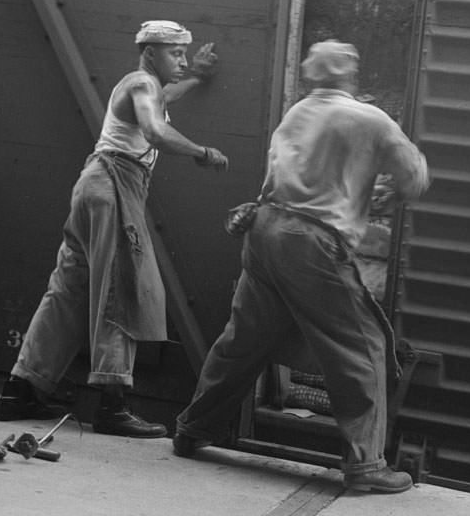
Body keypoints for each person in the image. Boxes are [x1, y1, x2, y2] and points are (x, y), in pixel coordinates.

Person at [172, 39, 430, 493]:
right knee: (363, 347)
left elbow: (281, 174)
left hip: (266, 229)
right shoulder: (370, 118)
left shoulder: (297, 112)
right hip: (313, 242)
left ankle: (193, 429)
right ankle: (366, 465)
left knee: (244, 341)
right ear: (351, 73)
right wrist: (389, 195)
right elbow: (414, 176)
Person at [0, 20, 229, 438]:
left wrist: (194, 78)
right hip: (116, 185)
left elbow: (164, 100)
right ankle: (111, 403)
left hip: (93, 185)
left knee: (68, 290)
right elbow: (155, 130)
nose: (182, 60)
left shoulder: (143, 87)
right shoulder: (142, 82)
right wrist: (202, 152)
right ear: (150, 53)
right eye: (176, 54)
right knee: (122, 290)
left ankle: (20, 390)